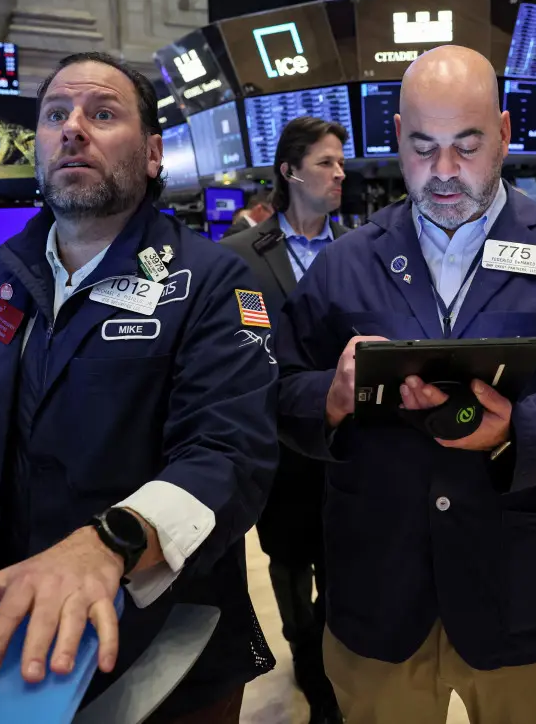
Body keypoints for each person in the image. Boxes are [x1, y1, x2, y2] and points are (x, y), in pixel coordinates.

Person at [274, 45, 536, 724]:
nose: (444, 171)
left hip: (523, 594)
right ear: (395, 138)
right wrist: (330, 397)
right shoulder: (345, 261)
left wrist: (517, 430)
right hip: (378, 596)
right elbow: (280, 388)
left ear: (505, 132)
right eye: (422, 147)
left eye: (467, 145)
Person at [0, 52, 279, 723]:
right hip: (9, 628)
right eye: (57, 114)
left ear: (153, 155)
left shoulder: (213, 282)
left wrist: (110, 541)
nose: (73, 128)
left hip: (164, 649)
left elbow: (230, 454)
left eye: (103, 113)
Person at [220, 116, 349, 724]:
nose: (339, 173)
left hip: (352, 442)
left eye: (340, 163)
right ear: (290, 170)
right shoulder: (241, 256)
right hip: (280, 446)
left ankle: (329, 659)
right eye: (326, 162)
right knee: (291, 561)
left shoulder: (359, 248)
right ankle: (304, 652)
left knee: (347, 561)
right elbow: (230, 353)